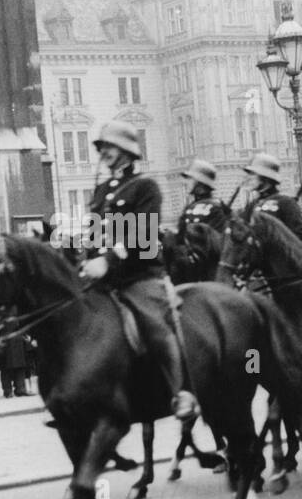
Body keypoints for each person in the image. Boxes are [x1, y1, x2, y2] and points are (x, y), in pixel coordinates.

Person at [80, 119, 197, 420]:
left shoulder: (145, 187)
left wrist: (108, 260)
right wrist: (87, 259)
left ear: (126, 151)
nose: (104, 151)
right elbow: (94, 233)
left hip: (140, 275)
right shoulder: (102, 189)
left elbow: (143, 236)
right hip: (105, 281)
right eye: (102, 146)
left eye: (110, 146)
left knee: (156, 326)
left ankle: (180, 392)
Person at [243, 151, 302, 247]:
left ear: (265, 177)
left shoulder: (285, 203)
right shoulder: (251, 205)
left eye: (253, 174)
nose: (248, 178)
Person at [176, 159, 230, 238]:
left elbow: (216, 241)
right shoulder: (189, 208)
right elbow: (180, 239)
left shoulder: (216, 208)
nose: (185, 182)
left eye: (190, 178)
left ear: (200, 182)